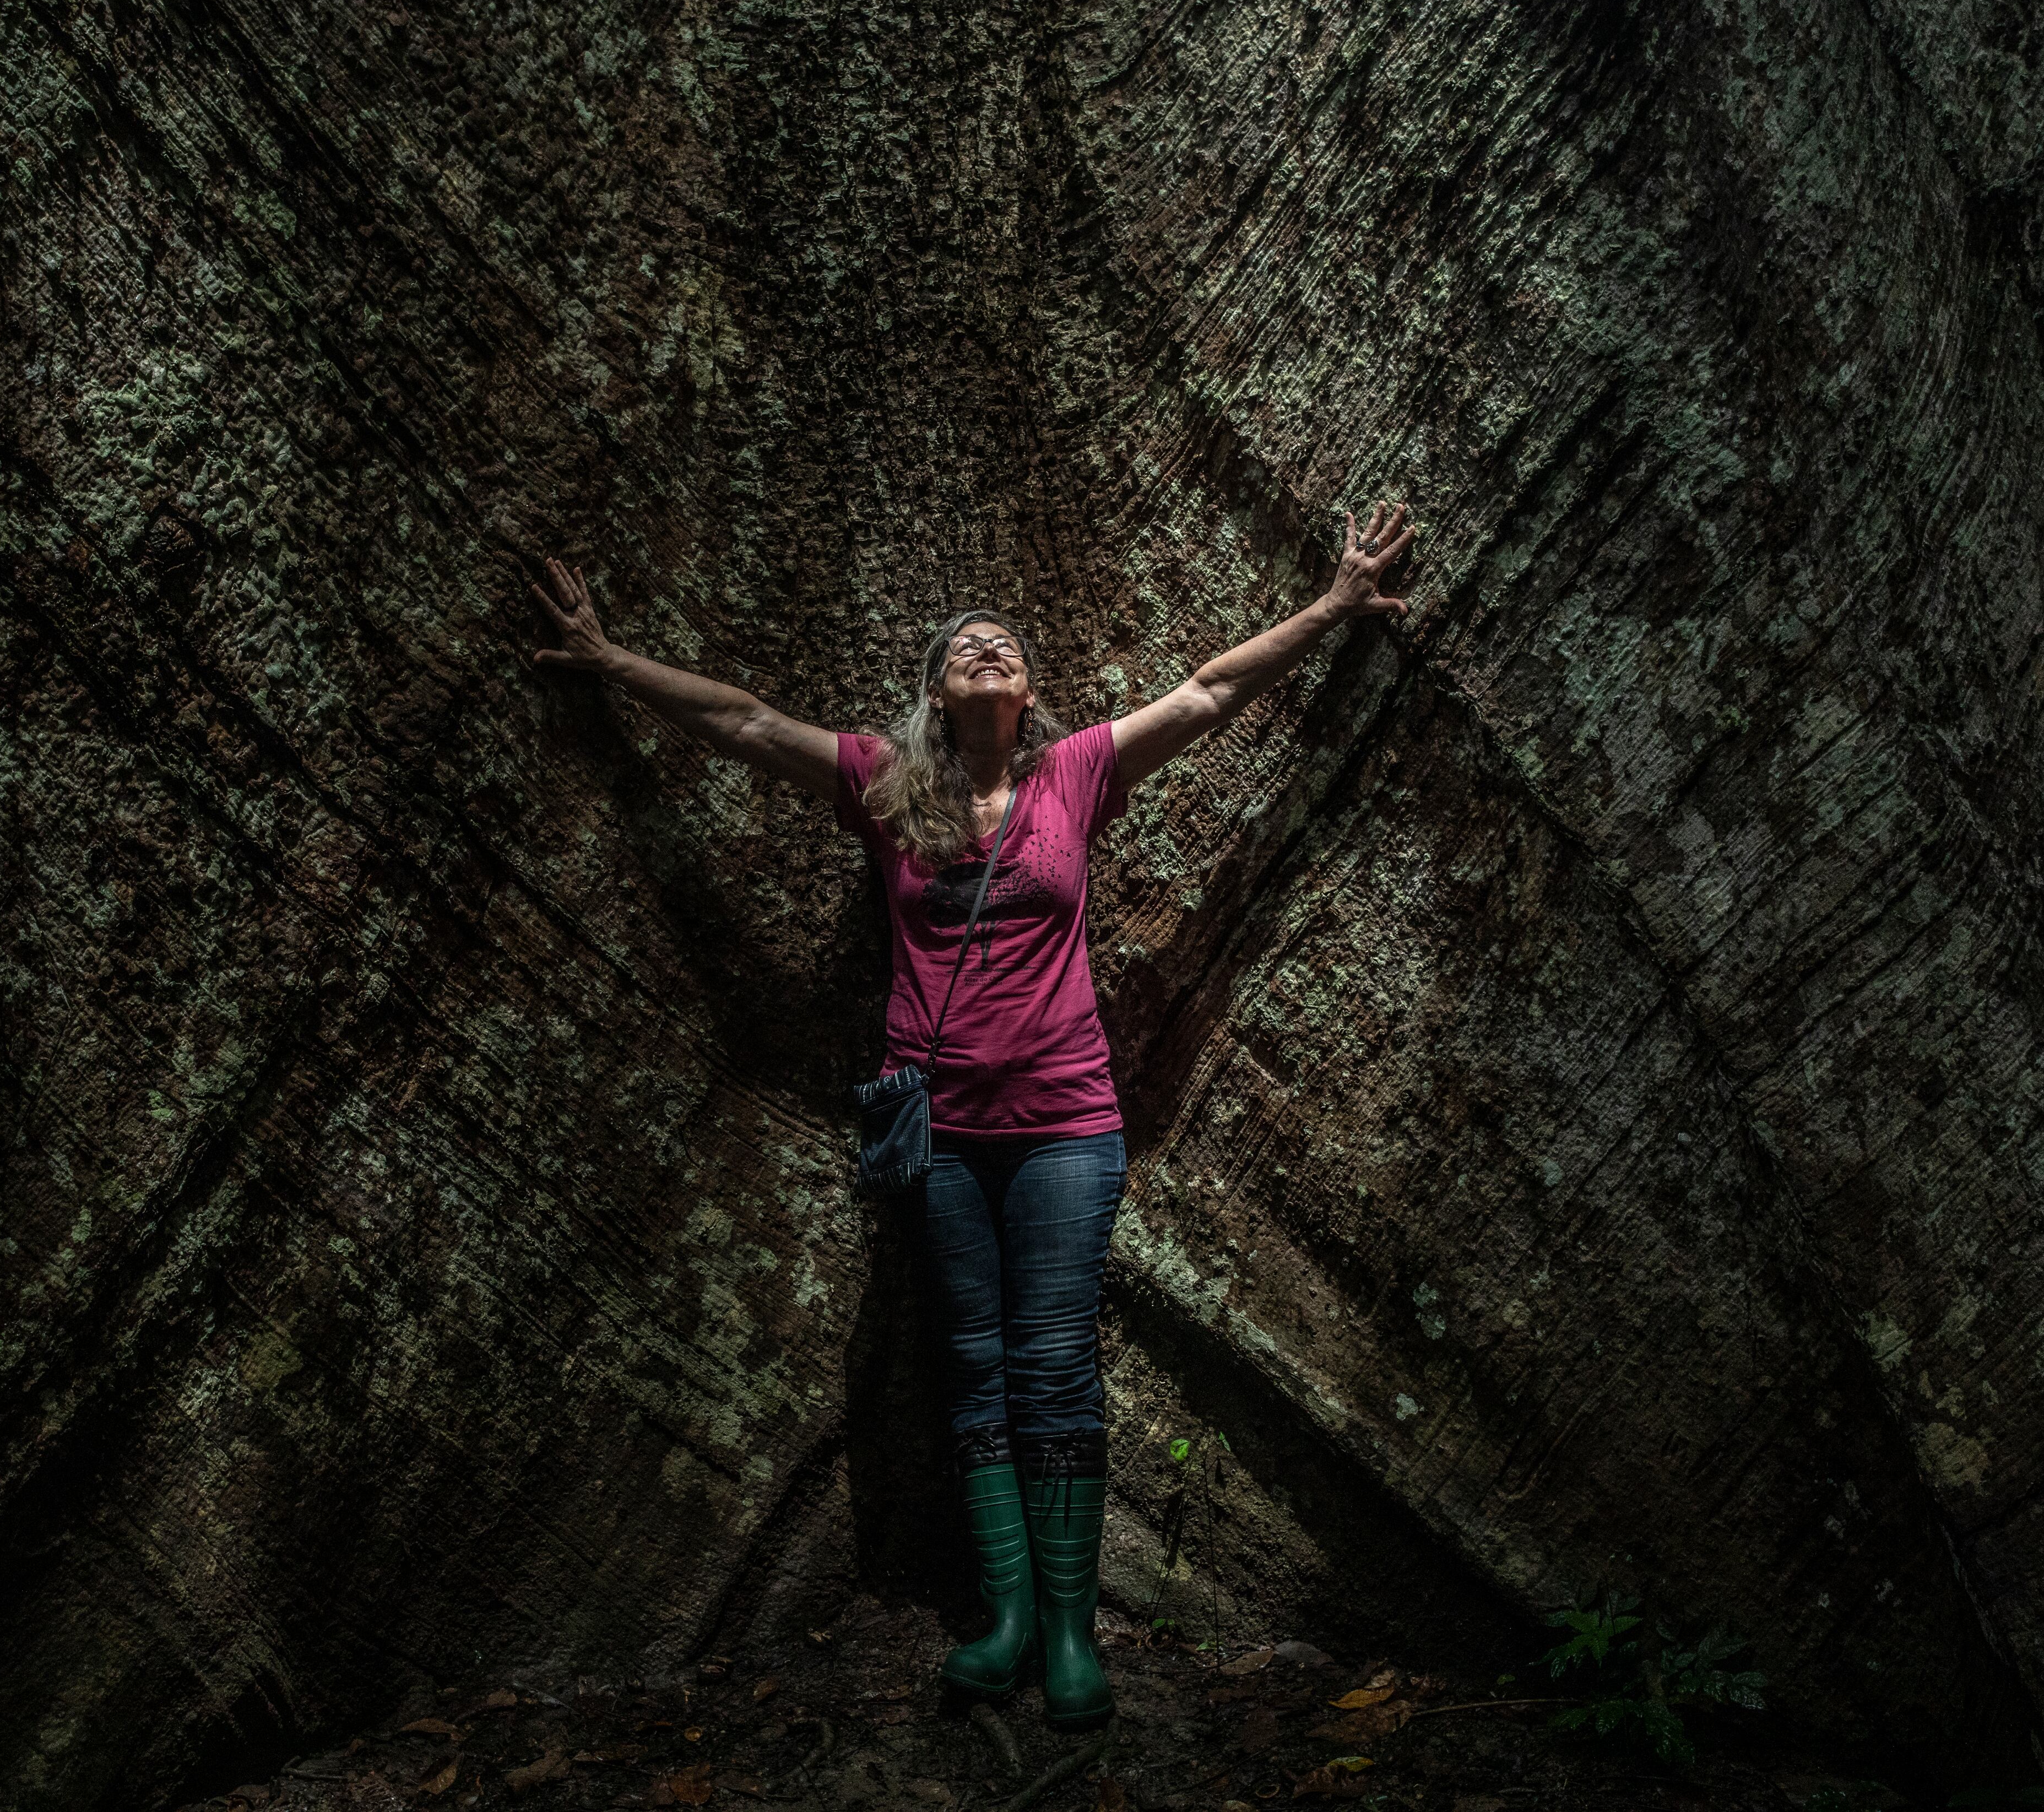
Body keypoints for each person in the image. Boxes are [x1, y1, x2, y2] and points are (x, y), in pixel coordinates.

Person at [528, 503, 1419, 1727]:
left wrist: (1332, 604)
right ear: (937, 692)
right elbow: (741, 719)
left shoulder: (1075, 772)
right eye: (965, 643)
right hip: (936, 1128)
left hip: (1065, 1121)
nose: (989, 646)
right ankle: (1001, 1616)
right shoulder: (888, 786)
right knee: (972, 1361)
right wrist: (608, 658)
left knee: (1054, 1360)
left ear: (1030, 685)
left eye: (1006, 640)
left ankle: (1067, 1628)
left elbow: (1208, 694)